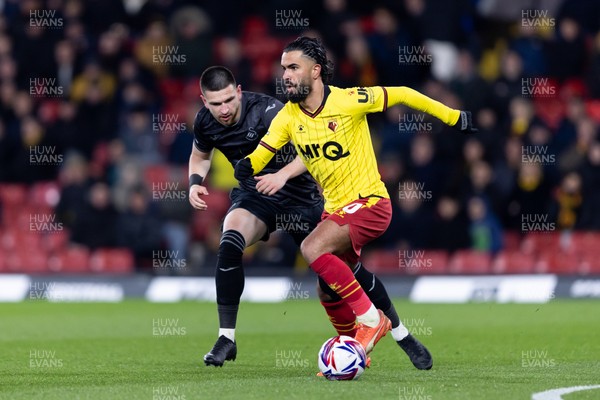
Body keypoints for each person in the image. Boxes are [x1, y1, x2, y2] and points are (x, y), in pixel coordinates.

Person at [234, 37, 477, 362]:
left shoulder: (349, 100)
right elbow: (262, 154)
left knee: (311, 247)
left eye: (293, 67)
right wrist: (245, 165)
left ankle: (370, 322)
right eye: (283, 69)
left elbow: (403, 93)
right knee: (330, 287)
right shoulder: (288, 117)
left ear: (316, 70)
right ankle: (362, 348)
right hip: (336, 212)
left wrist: (453, 117)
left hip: (370, 203)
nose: (286, 75)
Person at [191, 66, 432, 371]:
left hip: (301, 199)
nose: (223, 110)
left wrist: (280, 175)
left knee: (340, 278)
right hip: (256, 197)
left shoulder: (269, 112)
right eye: (215, 104)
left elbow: (309, 152)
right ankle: (226, 338)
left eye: (228, 100)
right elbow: (200, 155)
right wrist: (194, 182)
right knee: (230, 242)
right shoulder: (204, 123)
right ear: (204, 102)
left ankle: (401, 335)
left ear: (238, 92)